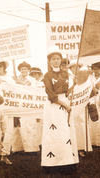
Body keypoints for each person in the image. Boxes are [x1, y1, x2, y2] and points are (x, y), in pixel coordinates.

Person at [41, 46, 78, 175]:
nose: (56, 61)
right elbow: (51, 96)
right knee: (54, 134)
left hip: (64, 103)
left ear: (60, 60)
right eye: (53, 59)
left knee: (65, 133)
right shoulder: (47, 75)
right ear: (50, 61)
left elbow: (66, 92)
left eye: (58, 59)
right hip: (54, 106)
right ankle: (52, 164)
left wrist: (73, 85)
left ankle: (67, 163)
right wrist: (65, 106)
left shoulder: (64, 74)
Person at [67, 60, 94, 157]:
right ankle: (74, 148)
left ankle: (84, 147)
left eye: (77, 67)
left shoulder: (85, 77)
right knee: (73, 125)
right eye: (73, 67)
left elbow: (90, 89)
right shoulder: (68, 78)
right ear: (70, 69)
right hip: (72, 105)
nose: (75, 69)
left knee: (83, 125)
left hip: (82, 104)